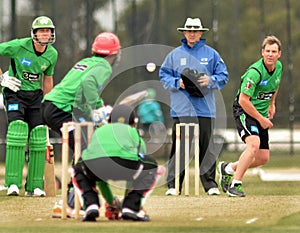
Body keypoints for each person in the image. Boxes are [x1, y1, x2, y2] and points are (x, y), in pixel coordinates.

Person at [41, 32, 121, 218]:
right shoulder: (104, 66)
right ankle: (69, 203)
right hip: (62, 110)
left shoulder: (87, 62)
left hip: (49, 106)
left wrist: (95, 112)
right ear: (113, 55)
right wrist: (97, 112)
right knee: (88, 155)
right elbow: (88, 85)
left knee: (86, 152)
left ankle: (78, 201)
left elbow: (82, 89)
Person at [159, 17, 229, 196]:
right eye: (188, 30)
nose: (191, 33)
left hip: (204, 109)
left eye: (195, 31)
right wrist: (177, 82)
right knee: (179, 150)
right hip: (181, 109)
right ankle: (174, 185)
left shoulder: (211, 54)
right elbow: (163, 75)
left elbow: (223, 75)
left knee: (206, 148)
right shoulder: (174, 55)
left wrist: (210, 80)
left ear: (200, 33)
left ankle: (210, 184)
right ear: (184, 32)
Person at [218, 35, 283, 197]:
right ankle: (235, 184)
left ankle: (227, 168)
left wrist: (271, 104)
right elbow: (243, 100)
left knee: (263, 158)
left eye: (273, 51)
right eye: (267, 51)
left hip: (260, 113)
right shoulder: (254, 72)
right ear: (262, 52)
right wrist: (261, 119)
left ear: (279, 54)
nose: (270, 54)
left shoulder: (279, 67)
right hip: (244, 110)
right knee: (253, 144)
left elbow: (275, 84)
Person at [0, 16, 58, 196]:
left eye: (47, 31)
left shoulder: (52, 54)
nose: (45, 34)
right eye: (41, 31)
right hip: (14, 93)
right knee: (17, 130)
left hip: (35, 98)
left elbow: (47, 80)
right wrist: (2, 78)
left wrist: (47, 106)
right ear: (34, 33)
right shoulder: (19, 46)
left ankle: (34, 186)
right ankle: (12, 183)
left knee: (39, 135)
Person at [71, 104, 159, 222]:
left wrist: (111, 202)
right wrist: (128, 201)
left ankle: (91, 205)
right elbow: (138, 158)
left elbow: (100, 180)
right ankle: (130, 207)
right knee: (151, 165)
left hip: (95, 167)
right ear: (133, 123)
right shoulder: (132, 131)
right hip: (125, 166)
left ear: (109, 121)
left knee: (78, 167)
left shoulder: (100, 130)